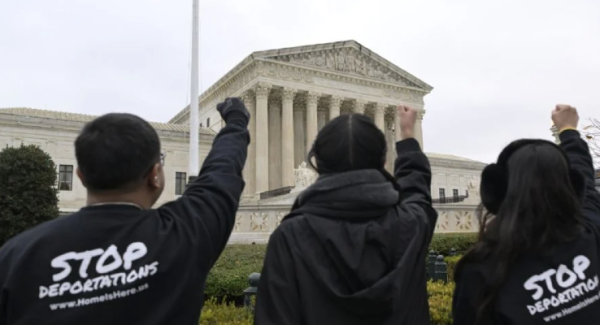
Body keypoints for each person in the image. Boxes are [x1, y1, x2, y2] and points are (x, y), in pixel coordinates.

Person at [0, 98, 250, 325]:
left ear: (81, 176)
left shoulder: (15, 256)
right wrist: (236, 121)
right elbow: (221, 172)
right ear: (155, 176)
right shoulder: (184, 235)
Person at [254, 106, 438, 325]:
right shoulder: (410, 226)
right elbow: (417, 192)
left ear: (317, 163)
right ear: (382, 163)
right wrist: (408, 136)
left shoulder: (289, 237)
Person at [453, 104, 600, 324]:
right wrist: (568, 130)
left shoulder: (481, 272)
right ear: (571, 189)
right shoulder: (589, 235)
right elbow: (586, 180)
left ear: (500, 193)